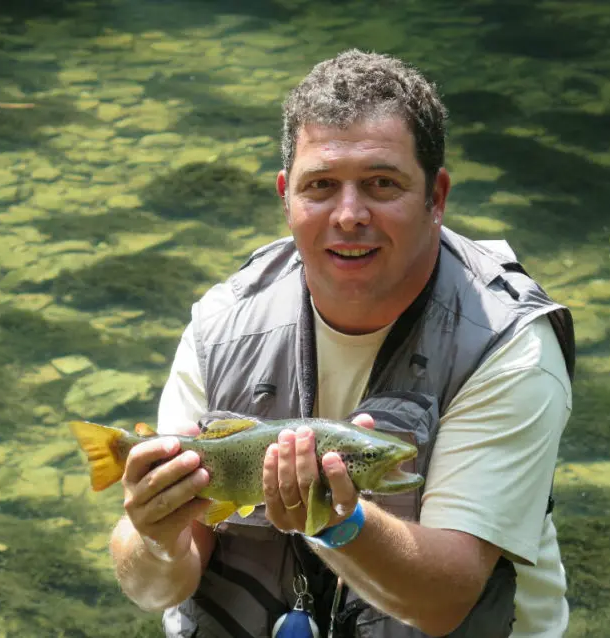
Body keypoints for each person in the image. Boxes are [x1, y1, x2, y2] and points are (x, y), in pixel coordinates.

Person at [108, 49, 575, 638]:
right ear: (286, 196)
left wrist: (338, 523)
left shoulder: (509, 347)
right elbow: (153, 589)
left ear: (437, 196)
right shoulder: (220, 327)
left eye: (382, 184)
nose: (349, 215)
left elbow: (447, 602)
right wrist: (154, 537)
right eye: (321, 186)